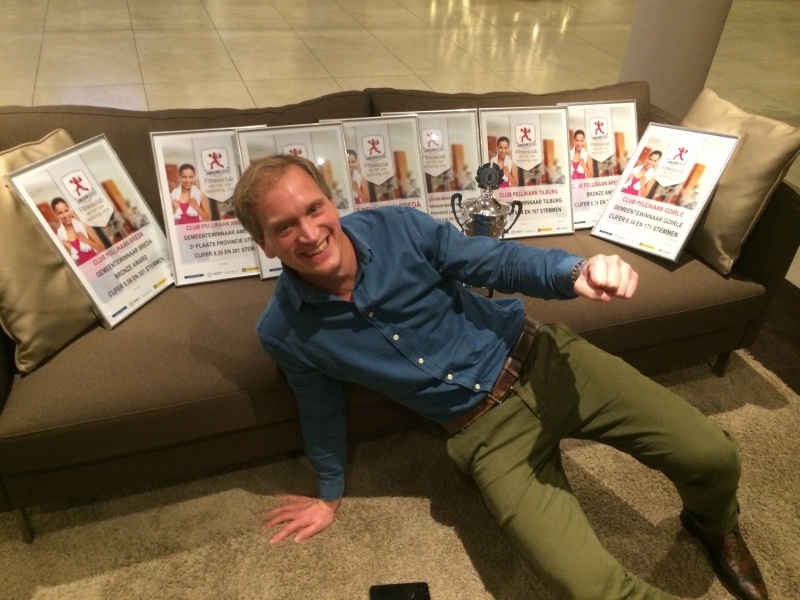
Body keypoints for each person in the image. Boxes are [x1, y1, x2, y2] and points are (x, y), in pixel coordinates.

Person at [232, 154, 768, 600]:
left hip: (543, 360)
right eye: (284, 227)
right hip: (483, 432)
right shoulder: (284, 331)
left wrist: (575, 271)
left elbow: (493, 261)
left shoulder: (397, 226)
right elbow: (319, 407)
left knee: (713, 455)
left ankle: (712, 524)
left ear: (332, 202)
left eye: (314, 208)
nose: (310, 233)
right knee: (585, 587)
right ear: (265, 243)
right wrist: (327, 495)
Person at [51, 197, 105, 265]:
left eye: (66, 210)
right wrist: (67, 251)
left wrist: (86, 240)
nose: (65, 215)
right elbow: (65, 264)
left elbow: (101, 248)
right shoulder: (59, 237)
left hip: (101, 266)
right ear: (56, 214)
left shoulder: (84, 226)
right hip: (83, 271)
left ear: (69, 209)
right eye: (60, 213)